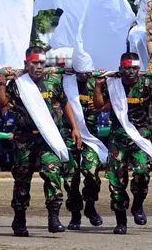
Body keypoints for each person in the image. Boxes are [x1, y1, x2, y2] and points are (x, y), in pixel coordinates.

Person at [0, 46, 82, 237]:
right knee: (22, 179)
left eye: (42, 62)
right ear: (26, 63)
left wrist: (75, 127)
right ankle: (19, 219)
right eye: (34, 62)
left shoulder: (53, 81)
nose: (39, 66)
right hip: (25, 139)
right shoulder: (18, 83)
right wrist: (2, 84)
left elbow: (65, 102)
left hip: (48, 137)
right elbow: (1, 104)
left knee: (52, 173)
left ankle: (54, 217)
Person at [93, 52, 152, 235]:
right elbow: (98, 106)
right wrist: (98, 86)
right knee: (116, 179)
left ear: (139, 69)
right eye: (127, 68)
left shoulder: (146, 84)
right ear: (120, 68)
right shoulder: (112, 83)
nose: (130, 72)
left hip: (140, 136)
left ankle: (137, 205)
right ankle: (120, 220)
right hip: (118, 136)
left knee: (142, 172)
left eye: (134, 68)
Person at [63, 70, 104, 230]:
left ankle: (90, 205)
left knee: (91, 172)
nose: (84, 74)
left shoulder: (96, 82)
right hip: (69, 134)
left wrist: (99, 93)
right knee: (71, 177)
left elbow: (107, 103)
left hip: (90, 137)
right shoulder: (65, 82)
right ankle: (75, 214)